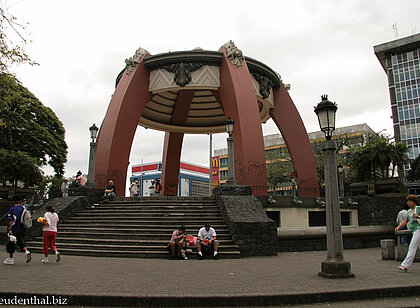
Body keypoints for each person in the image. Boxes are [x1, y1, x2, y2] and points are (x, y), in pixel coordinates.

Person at [395, 194, 420, 271]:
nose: (408, 203)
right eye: (408, 201)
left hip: (418, 229)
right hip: (414, 230)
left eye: (410, 201)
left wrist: (418, 216)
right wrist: (399, 227)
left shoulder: (418, 208)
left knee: (412, 247)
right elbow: (406, 220)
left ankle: (405, 265)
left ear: (414, 202)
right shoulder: (409, 211)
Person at [4, 199, 31, 265]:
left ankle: (10, 258)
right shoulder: (23, 208)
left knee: (11, 243)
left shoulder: (12, 209)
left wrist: (10, 228)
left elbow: (11, 219)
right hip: (21, 227)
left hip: (14, 227)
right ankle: (26, 251)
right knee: (20, 240)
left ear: (13, 201)